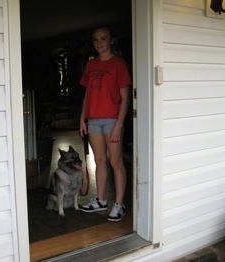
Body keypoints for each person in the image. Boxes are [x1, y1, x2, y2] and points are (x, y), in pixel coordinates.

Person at [79, 26, 132, 222]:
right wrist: (82, 118)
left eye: (103, 38)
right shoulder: (90, 66)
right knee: (99, 161)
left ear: (111, 40)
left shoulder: (119, 65)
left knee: (115, 162)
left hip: (112, 120)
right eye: (96, 39)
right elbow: (87, 95)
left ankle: (119, 205)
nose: (99, 43)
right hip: (93, 120)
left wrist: (119, 124)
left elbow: (125, 98)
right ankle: (101, 200)